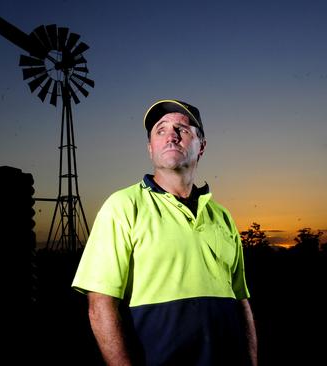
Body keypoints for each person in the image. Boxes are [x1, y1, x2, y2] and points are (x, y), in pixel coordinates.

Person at [71, 99, 257, 366]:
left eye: (182, 128)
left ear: (201, 145)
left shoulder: (223, 216)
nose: (171, 135)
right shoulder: (122, 206)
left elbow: (241, 301)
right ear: (150, 149)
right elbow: (100, 304)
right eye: (160, 130)